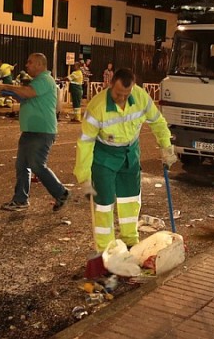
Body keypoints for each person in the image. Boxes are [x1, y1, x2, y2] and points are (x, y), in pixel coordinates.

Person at [74, 68, 178, 252]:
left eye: (126, 94)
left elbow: (158, 122)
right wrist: (83, 174)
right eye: (118, 94)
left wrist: (166, 146)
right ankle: (106, 249)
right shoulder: (96, 107)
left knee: (130, 199)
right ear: (110, 84)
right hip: (104, 156)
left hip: (130, 153)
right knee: (104, 204)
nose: (122, 98)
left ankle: (130, 240)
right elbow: (85, 142)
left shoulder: (140, 97)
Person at [0, 53, 70, 212]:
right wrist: (5, 91)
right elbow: (25, 96)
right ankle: (20, 199)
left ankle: (61, 193)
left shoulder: (45, 80)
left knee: (37, 165)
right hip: (31, 131)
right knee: (22, 165)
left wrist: (5, 86)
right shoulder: (37, 82)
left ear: (40, 65)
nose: (27, 65)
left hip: (41, 131)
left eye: (30, 62)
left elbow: (28, 93)